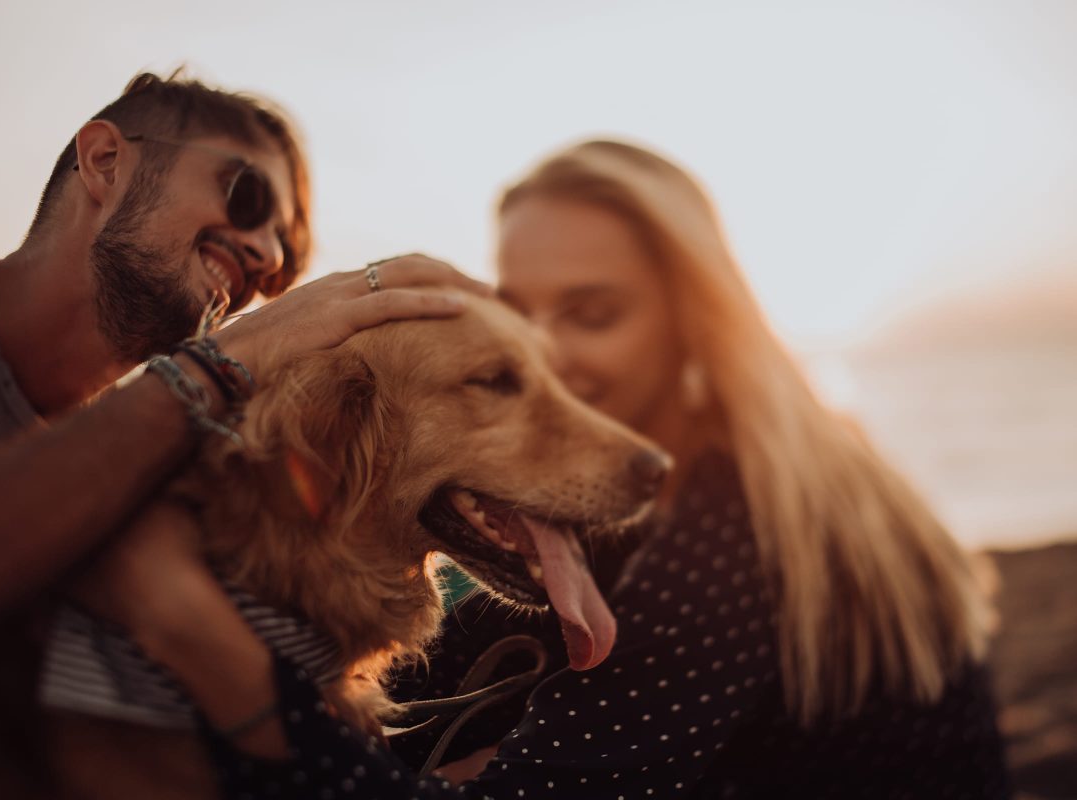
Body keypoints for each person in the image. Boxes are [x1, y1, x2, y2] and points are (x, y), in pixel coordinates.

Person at [207, 140, 1012, 799]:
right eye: (520, 315)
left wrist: (193, 639)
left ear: (693, 321)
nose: (544, 351)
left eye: (594, 314)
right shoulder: (590, 490)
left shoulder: (745, 524)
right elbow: (435, 681)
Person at [0, 71, 486, 795]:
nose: (264, 258)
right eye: (248, 196)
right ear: (105, 161)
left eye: (283, 260)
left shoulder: (175, 457)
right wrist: (215, 369)